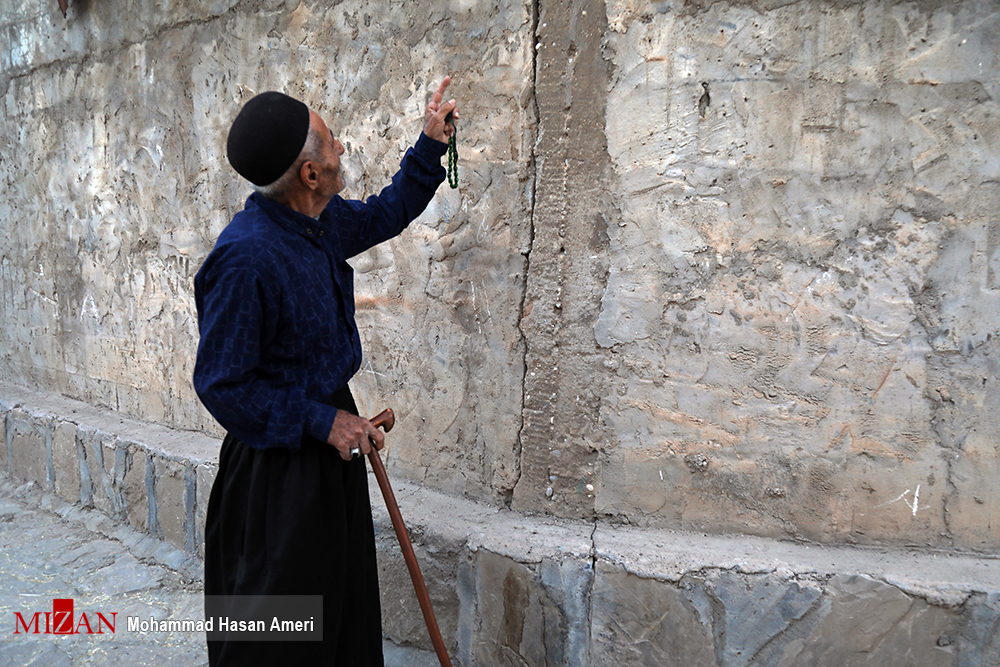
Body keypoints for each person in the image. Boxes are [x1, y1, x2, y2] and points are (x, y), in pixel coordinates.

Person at [193, 78, 459, 666]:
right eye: (334, 144)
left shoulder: (319, 220)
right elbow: (220, 383)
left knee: (339, 619)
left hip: (329, 460)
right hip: (275, 475)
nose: (343, 152)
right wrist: (322, 421)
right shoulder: (245, 258)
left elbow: (384, 214)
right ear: (309, 174)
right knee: (280, 638)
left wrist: (429, 145)